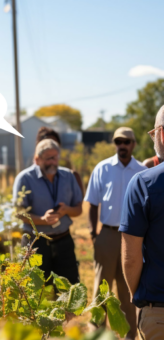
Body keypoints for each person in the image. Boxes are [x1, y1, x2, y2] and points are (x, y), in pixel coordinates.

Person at [84, 127, 146, 340]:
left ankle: (129, 335)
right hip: (108, 235)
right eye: (118, 141)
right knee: (101, 286)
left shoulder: (141, 171)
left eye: (126, 141)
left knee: (128, 288)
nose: (122, 145)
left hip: (133, 238)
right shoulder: (102, 169)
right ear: (115, 143)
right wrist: (94, 234)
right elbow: (92, 204)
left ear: (133, 144)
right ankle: (97, 332)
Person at [120, 106, 164, 340]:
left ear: (162, 134)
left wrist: (137, 296)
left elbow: (131, 257)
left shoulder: (143, 184)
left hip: (159, 311)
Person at [13, 139, 83, 284]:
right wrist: (42, 220)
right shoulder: (24, 179)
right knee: (34, 291)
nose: (53, 162)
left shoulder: (68, 176)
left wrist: (66, 210)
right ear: (37, 159)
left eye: (55, 157)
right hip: (35, 244)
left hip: (64, 241)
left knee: (68, 289)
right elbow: (19, 213)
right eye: (48, 158)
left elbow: (78, 210)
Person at [35, 126, 84, 197]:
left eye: (54, 144)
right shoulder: (28, 178)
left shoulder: (70, 175)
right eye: (45, 145)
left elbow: (80, 204)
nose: (50, 146)